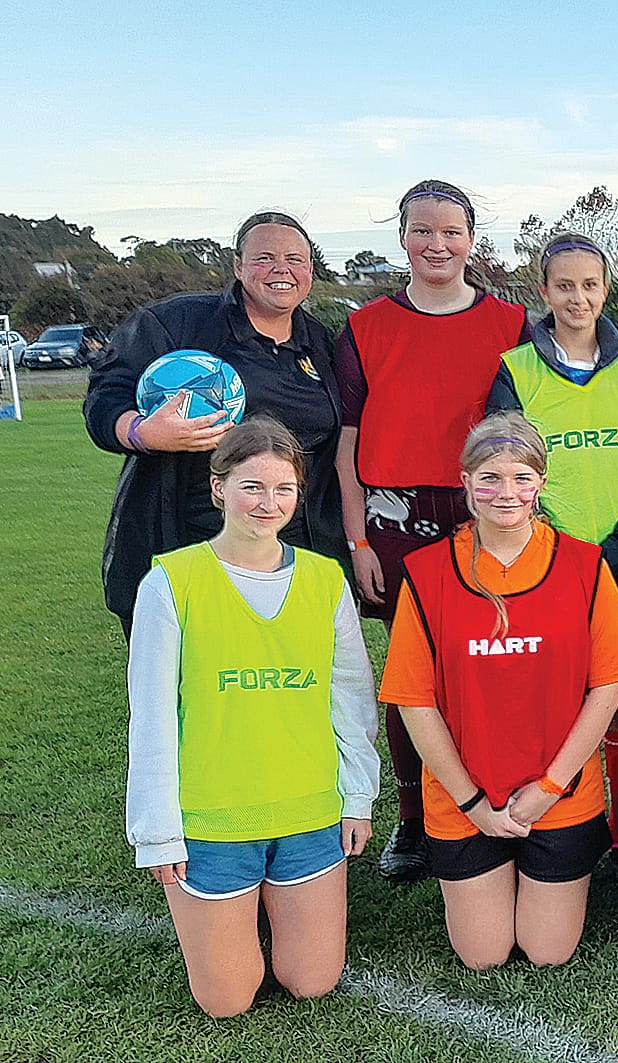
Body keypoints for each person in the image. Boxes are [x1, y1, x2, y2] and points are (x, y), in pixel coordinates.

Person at [126, 417, 378, 1017]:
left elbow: (352, 700)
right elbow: (151, 718)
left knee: (313, 980)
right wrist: (159, 831)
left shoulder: (325, 579)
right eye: (252, 487)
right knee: (226, 1001)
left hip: (308, 809)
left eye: (283, 488)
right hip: (213, 819)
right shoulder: (171, 582)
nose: (269, 503)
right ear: (219, 487)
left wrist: (357, 798)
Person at [377, 414, 618, 969]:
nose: (506, 493)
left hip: (559, 796)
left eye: (521, 478)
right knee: (483, 955)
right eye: (490, 478)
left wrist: (547, 788)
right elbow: (414, 702)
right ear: (466, 482)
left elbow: (607, 687)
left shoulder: (585, 564)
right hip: (465, 797)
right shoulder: (426, 572)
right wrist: (472, 802)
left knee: (547, 952)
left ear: (541, 481)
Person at [334, 180, 532, 881]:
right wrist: (359, 540)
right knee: (412, 673)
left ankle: (504, 800)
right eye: (423, 230)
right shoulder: (365, 327)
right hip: (396, 517)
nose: (437, 244)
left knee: (496, 659)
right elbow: (347, 445)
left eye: (451, 232)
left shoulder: (511, 324)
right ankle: (414, 817)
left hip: (487, 510)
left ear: (471, 240)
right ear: (402, 238)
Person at [489, 231, 618, 890]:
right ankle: (549, 831)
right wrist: (555, 556)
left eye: (589, 285)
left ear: (605, 289)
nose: (578, 297)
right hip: (545, 572)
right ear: (544, 291)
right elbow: (506, 472)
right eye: (564, 285)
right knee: (545, 710)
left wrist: (617, 552)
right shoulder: (516, 369)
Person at [85, 211, 346, 637]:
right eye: (264, 258)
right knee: (189, 675)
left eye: (295, 259)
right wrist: (142, 432)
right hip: (186, 543)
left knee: (286, 671)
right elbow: (105, 397)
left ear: (310, 271)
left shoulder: (319, 342)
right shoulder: (176, 323)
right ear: (238, 266)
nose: (281, 269)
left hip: (294, 551)